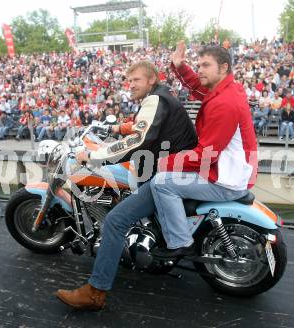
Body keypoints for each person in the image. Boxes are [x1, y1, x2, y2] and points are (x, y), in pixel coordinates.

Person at [55, 60, 197, 310]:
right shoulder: (161, 97)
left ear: (152, 80)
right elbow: (139, 128)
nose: (130, 85)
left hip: (165, 174)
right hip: (171, 169)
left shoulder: (156, 100)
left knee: (115, 221)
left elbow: (138, 140)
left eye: (136, 80)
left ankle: (95, 292)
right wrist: (112, 130)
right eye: (129, 81)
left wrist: (95, 155)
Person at [149, 43, 257, 259]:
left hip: (225, 180)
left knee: (161, 183)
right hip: (233, 172)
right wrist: (180, 67)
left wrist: (162, 162)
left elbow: (205, 156)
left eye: (206, 65)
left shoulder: (225, 103)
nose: (200, 69)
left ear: (224, 67)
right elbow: (200, 88)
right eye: (198, 65)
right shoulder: (228, 89)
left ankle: (179, 242)